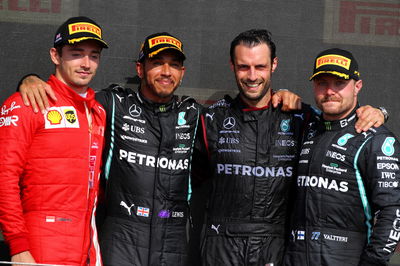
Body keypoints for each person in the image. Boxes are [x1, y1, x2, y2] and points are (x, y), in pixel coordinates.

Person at [17, 31, 308, 265]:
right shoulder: (114, 105)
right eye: (157, 63)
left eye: (174, 64)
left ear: (182, 72)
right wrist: (29, 81)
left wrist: (285, 97)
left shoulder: (196, 115)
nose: (166, 71)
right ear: (140, 68)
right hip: (122, 233)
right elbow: (74, 96)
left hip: (174, 237)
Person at [191, 30, 387, 266]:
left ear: (274, 65)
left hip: (278, 250)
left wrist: (378, 113)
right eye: (244, 67)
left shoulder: (301, 118)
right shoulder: (211, 119)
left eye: (260, 66)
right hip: (220, 248)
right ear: (232, 66)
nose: (252, 76)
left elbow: (338, 122)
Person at [0, 16, 107, 265]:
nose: (86, 63)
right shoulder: (25, 102)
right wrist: (18, 245)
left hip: (87, 245)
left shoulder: (98, 112)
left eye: (94, 55)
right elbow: (4, 177)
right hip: (41, 246)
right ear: (55, 55)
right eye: (77, 54)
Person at [283, 48, 400, 266]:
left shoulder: (375, 139)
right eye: (322, 83)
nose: (329, 91)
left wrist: (372, 262)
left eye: (339, 83)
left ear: (357, 86)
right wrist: (281, 92)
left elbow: (393, 210)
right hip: (294, 256)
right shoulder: (303, 124)